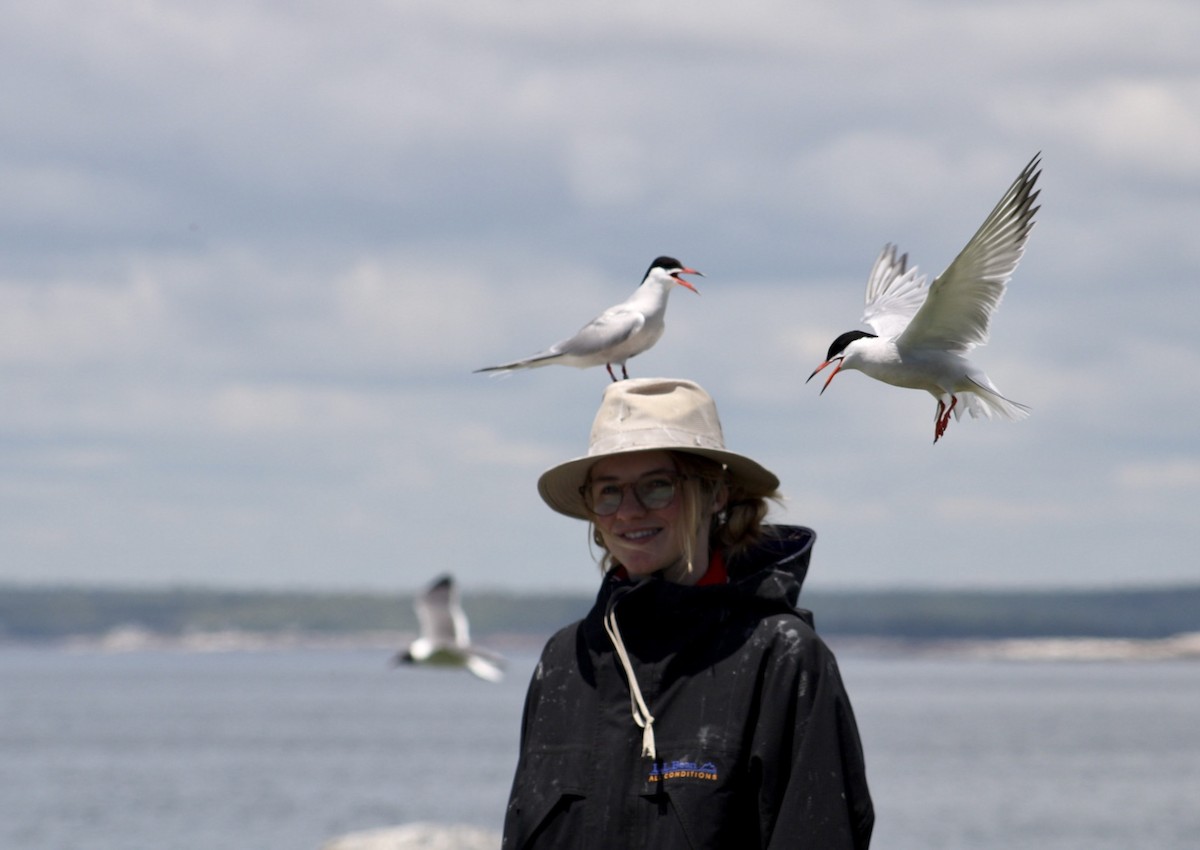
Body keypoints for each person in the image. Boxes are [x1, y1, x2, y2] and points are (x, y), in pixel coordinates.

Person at [502, 378, 874, 849]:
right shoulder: (565, 659)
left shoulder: (781, 656)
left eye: (657, 487)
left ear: (715, 493)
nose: (629, 511)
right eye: (608, 491)